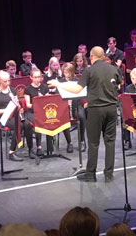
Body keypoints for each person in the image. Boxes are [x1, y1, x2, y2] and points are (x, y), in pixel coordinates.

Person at [48, 46, 121, 182]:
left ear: (92, 57)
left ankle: (91, 174)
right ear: (103, 57)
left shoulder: (89, 70)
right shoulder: (114, 69)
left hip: (96, 110)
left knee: (93, 143)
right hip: (111, 109)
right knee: (110, 142)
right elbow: (119, 85)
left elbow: (76, 89)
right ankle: (108, 174)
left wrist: (58, 84)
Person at [0, 70, 33, 160]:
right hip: (4, 118)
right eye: (5, 81)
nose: (7, 83)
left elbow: (17, 106)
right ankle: (11, 152)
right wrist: (8, 109)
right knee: (19, 125)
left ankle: (31, 149)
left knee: (27, 124)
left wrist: (18, 106)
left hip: (14, 115)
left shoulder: (13, 91)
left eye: (8, 81)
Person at [43, 58, 73, 152]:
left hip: (61, 101)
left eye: (57, 65)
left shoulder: (61, 75)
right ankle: (50, 144)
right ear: (50, 65)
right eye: (54, 65)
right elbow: (44, 89)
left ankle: (69, 143)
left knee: (63, 120)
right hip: (50, 101)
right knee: (50, 119)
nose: (56, 67)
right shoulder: (46, 76)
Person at [61, 63, 87, 152]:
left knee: (81, 116)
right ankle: (69, 142)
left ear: (72, 72)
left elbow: (82, 93)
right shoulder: (60, 82)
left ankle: (82, 141)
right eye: (65, 72)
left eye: (68, 73)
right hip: (64, 105)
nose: (66, 75)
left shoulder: (77, 80)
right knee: (63, 118)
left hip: (76, 103)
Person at [24, 68, 48, 156]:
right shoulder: (27, 89)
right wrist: (38, 103)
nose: (37, 79)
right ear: (31, 77)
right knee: (37, 121)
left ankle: (49, 146)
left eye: (39, 77)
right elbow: (28, 105)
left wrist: (44, 99)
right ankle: (35, 147)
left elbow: (49, 101)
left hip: (43, 111)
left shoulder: (44, 87)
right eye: (35, 77)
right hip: (32, 112)